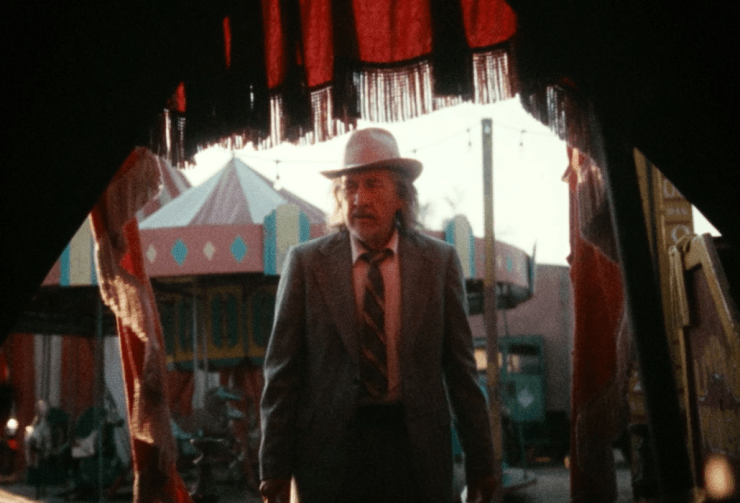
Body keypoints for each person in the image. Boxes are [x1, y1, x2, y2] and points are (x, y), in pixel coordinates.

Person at [259, 127, 496, 503]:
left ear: (401, 196)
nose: (359, 199)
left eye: (372, 185)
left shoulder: (439, 262)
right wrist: (273, 470)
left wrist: (481, 465)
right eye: (350, 186)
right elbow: (282, 376)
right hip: (328, 461)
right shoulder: (306, 264)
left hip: (416, 456)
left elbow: (462, 373)